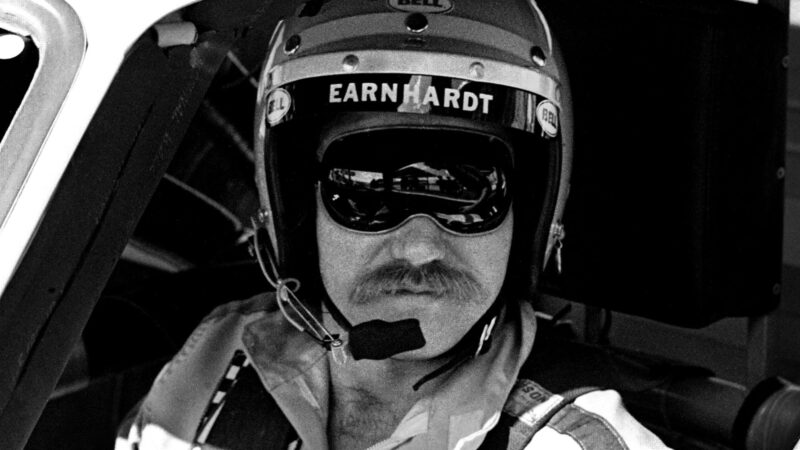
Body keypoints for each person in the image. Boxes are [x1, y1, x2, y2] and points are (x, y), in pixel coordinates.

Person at [117, 1, 670, 448]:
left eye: (466, 189)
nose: (421, 246)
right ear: (297, 212)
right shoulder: (218, 360)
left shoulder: (571, 442)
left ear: (528, 221)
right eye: (366, 188)